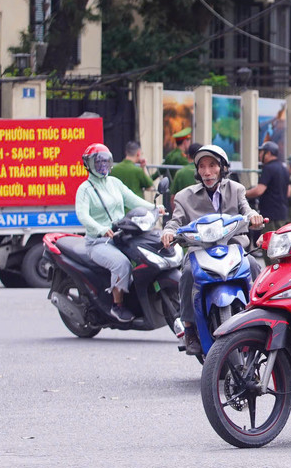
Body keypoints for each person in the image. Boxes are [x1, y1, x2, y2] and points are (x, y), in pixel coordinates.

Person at [161, 144, 261, 357]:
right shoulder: (184, 196)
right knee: (187, 273)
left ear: (222, 168)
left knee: (253, 265)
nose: (207, 171)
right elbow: (175, 221)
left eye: (212, 165)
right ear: (197, 171)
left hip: (233, 248)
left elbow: (247, 209)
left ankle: (262, 313)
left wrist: (254, 216)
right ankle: (189, 327)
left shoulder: (237, 189)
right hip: (199, 251)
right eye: (202, 167)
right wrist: (168, 232)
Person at [75, 142, 154, 323]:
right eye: (98, 162)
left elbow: (132, 200)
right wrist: (101, 229)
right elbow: (82, 215)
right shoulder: (85, 189)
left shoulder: (114, 183)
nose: (103, 166)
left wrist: (155, 208)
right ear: (89, 164)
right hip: (98, 242)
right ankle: (117, 305)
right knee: (121, 264)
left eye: (105, 162)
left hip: (122, 237)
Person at [246, 140, 290, 229]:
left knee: (268, 240)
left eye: (261, 152)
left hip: (270, 215)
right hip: (282, 214)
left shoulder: (268, 168)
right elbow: (288, 192)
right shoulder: (284, 168)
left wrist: (242, 193)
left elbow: (259, 191)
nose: (260, 155)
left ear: (268, 153)